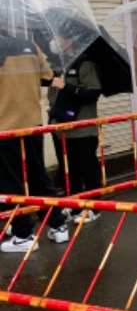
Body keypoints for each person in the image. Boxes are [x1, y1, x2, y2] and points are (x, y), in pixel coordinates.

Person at [0, 32, 70, 252]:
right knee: (38, 175)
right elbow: (48, 76)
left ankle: (24, 235)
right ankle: (58, 225)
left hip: (4, 127)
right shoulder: (29, 45)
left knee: (10, 182)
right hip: (32, 123)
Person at [47, 30, 102, 224]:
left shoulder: (84, 64)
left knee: (87, 168)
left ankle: (94, 207)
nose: (53, 41)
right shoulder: (56, 66)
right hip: (61, 130)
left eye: (57, 37)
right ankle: (74, 205)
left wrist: (67, 86)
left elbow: (93, 93)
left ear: (69, 40)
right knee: (69, 172)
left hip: (82, 130)